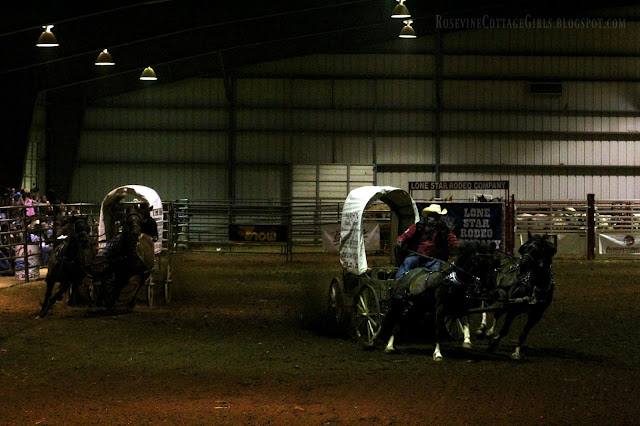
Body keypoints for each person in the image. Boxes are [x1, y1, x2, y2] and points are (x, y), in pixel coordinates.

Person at [394, 203, 459, 278]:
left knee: (435, 276)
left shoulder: (444, 229)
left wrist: (457, 245)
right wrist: (400, 240)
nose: (436, 218)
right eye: (434, 215)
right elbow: (406, 235)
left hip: (433, 259)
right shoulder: (419, 226)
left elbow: (452, 239)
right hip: (416, 255)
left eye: (438, 216)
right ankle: (398, 282)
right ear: (429, 216)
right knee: (407, 263)